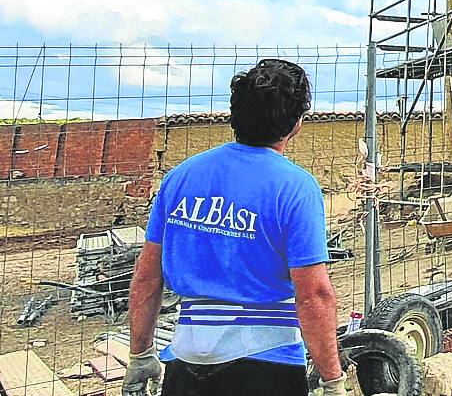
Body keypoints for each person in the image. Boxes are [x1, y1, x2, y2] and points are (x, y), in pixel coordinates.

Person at [122, 59, 344, 396]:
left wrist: (140, 354)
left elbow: (146, 277)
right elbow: (314, 295)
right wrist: (332, 379)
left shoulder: (180, 178)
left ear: (234, 114)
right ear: (297, 123)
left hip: (185, 365)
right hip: (266, 368)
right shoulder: (296, 188)